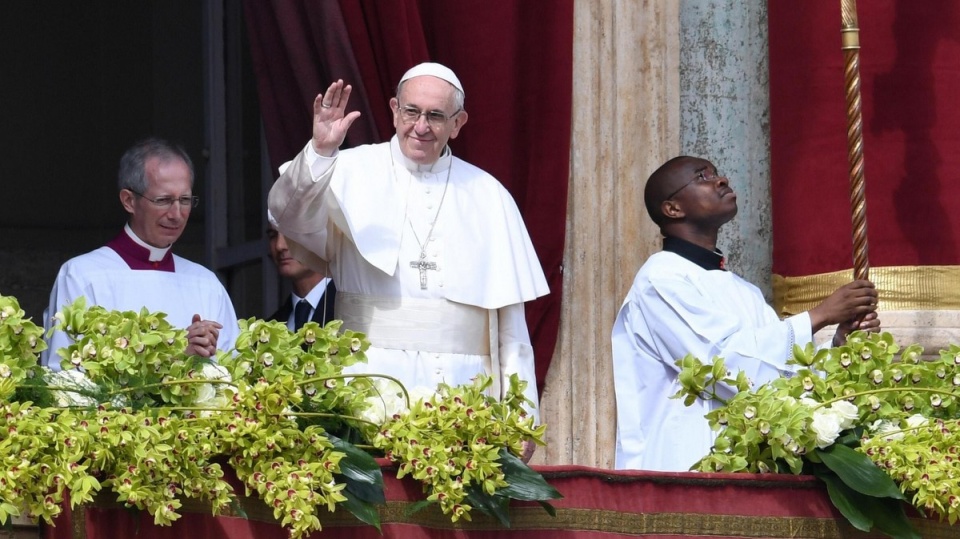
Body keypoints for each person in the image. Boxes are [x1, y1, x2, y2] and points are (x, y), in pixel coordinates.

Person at [267, 62, 548, 424]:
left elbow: (511, 326)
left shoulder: (488, 195)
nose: (421, 126)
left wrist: (522, 413)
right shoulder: (347, 170)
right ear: (394, 110)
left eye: (435, 116)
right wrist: (320, 152)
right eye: (411, 111)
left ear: (458, 123)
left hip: (466, 397)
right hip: (369, 387)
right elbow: (287, 213)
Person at [611, 155, 880, 472]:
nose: (720, 180)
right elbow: (718, 366)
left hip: (747, 464)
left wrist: (839, 345)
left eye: (716, 172)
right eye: (702, 176)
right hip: (684, 463)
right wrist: (819, 316)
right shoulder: (661, 280)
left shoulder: (744, 291)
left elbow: (777, 376)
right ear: (673, 209)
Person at [42, 138, 239, 370]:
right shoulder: (82, 275)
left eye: (185, 200)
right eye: (163, 200)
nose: (177, 214)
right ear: (129, 201)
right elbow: (66, 379)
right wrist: (174, 357)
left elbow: (233, 374)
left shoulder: (205, 283)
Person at [266, 224, 337, 329]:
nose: (279, 246)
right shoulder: (268, 330)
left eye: (291, 234)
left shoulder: (352, 309)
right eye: (273, 236)